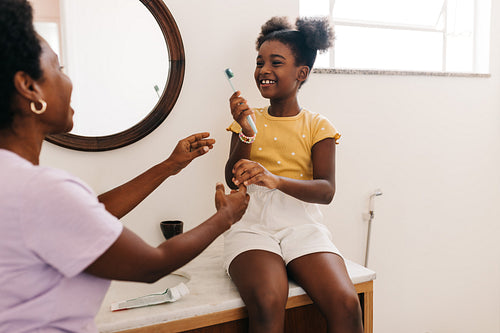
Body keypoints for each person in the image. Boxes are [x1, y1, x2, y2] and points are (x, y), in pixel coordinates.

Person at [0, 0, 249, 332]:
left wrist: (169, 166)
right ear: (29, 87)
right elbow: (152, 265)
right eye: (59, 68)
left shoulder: (14, 181)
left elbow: (86, 215)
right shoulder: (41, 190)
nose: (69, 80)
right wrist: (225, 217)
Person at [224, 16, 363, 333]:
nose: (263, 70)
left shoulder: (318, 126)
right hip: (251, 224)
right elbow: (233, 181)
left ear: (302, 73)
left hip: (302, 225)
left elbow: (326, 190)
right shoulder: (247, 120)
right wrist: (247, 133)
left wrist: (275, 180)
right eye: (260, 62)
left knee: (346, 303)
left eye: (276, 62)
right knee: (268, 300)